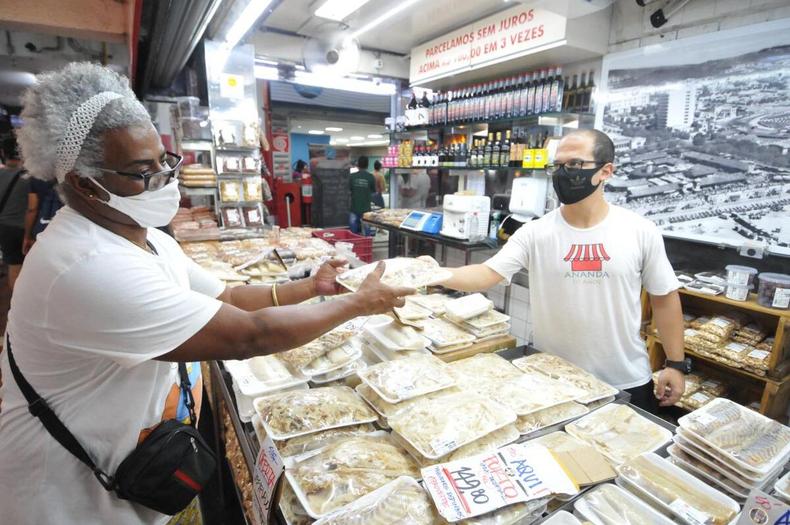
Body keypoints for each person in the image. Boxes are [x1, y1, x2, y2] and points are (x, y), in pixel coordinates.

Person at [0, 62, 413, 525]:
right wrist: (357, 303)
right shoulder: (86, 267)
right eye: (142, 172)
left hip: (142, 463)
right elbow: (248, 335)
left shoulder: (143, 235)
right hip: (72, 496)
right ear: (83, 182)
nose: (164, 180)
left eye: (164, 161)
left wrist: (308, 288)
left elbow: (229, 298)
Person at [436, 129, 685, 413]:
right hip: (551, 378)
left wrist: (675, 364)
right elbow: (485, 273)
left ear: (606, 171)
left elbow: (664, 298)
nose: (563, 174)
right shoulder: (535, 232)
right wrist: (427, 273)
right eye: (557, 165)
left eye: (575, 164)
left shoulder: (639, 230)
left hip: (625, 380)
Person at [0, 136, 31, 291]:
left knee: (14, 266)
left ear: (2, 152)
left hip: (5, 228)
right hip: (27, 228)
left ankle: (15, 304)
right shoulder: (31, 177)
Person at [23, 177, 63, 255]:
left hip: (41, 228)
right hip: (62, 229)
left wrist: (27, 236)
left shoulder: (36, 176)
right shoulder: (73, 179)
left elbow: (32, 209)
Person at [349, 155, 376, 235]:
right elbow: (373, 191)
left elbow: (348, 191)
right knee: (366, 230)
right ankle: (367, 246)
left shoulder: (352, 177)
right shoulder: (371, 177)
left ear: (357, 164)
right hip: (366, 209)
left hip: (354, 208)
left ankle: (355, 245)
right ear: (367, 165)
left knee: (353, 232)